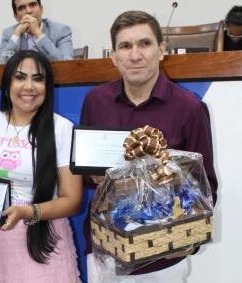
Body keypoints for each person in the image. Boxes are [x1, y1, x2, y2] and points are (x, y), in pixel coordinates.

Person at [80, 11, 218, 283]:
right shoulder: (95, 102)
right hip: (105, 250)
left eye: (145, 44)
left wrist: (189, 235)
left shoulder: (189, 108)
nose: (135, 55)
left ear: (162, 50)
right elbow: (84, 171)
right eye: (125, 46)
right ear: (114, 56)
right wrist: (96, 177)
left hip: (162, 258)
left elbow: (206, 187)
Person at [0, 50, 82, 282]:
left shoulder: (61, 128)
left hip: (42, 238)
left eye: (38, 78)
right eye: (20, 77)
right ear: (7, 85)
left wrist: (28, 212)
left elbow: (72, 200)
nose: (29, 86)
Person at [0, 0, 74, 63]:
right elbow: (1, 68)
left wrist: (38, 33)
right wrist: (16, 34)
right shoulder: (9, 34)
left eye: (33, 4)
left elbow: (67, 65)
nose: (28, 11)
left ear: (41, 9)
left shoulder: (60, 31)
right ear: (16, 17)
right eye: (21, 8)